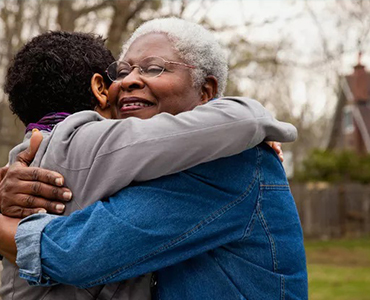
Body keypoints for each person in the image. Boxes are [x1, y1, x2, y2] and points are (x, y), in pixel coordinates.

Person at [0, 18, 307, 299]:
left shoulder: (233, 162)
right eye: (122, 71)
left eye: (153, 68)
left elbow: (78, 253)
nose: (130, 80)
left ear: (206, 91)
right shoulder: (138, 165)